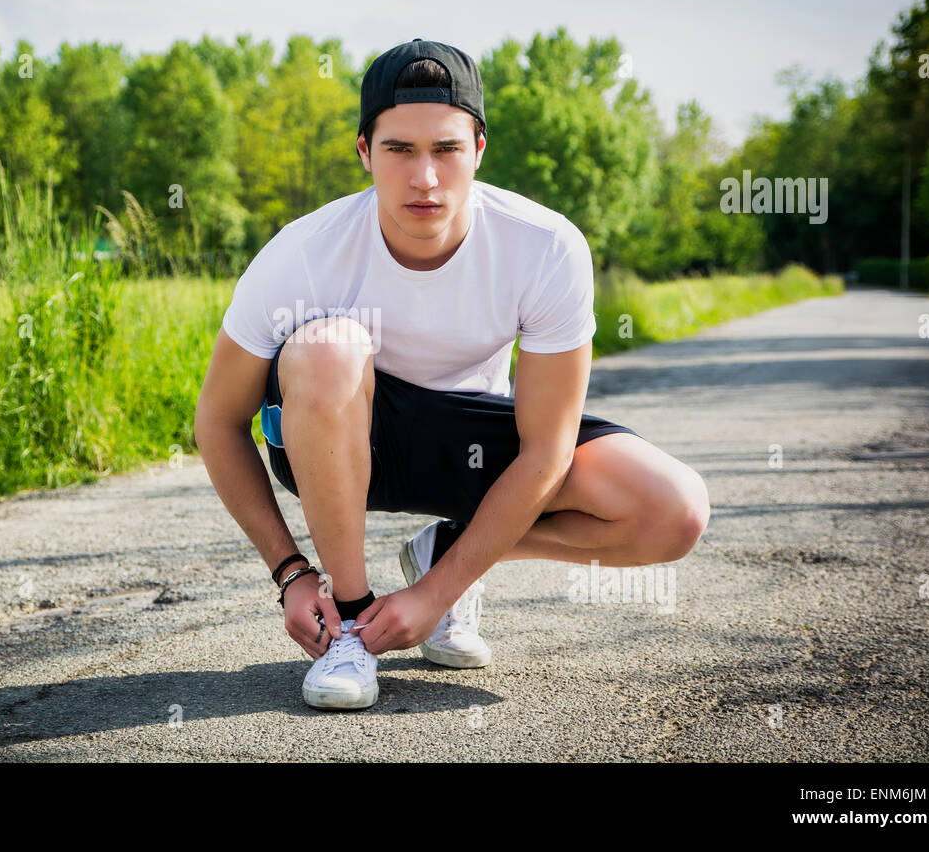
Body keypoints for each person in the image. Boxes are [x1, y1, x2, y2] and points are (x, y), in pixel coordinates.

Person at [194, 38, 710, 710]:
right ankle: (350, 626)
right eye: (399, 150)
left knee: (674, 512)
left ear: (479, 151)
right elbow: (219, 422)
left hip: (479, 453)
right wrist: (292, 573)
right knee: (328, 349)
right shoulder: (301, 254)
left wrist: (440, 590)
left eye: (446, 150)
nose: (425, 178)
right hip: (337, 435)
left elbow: (547, 451)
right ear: (363, 153)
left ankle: (446, 553)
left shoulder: (545, 247)